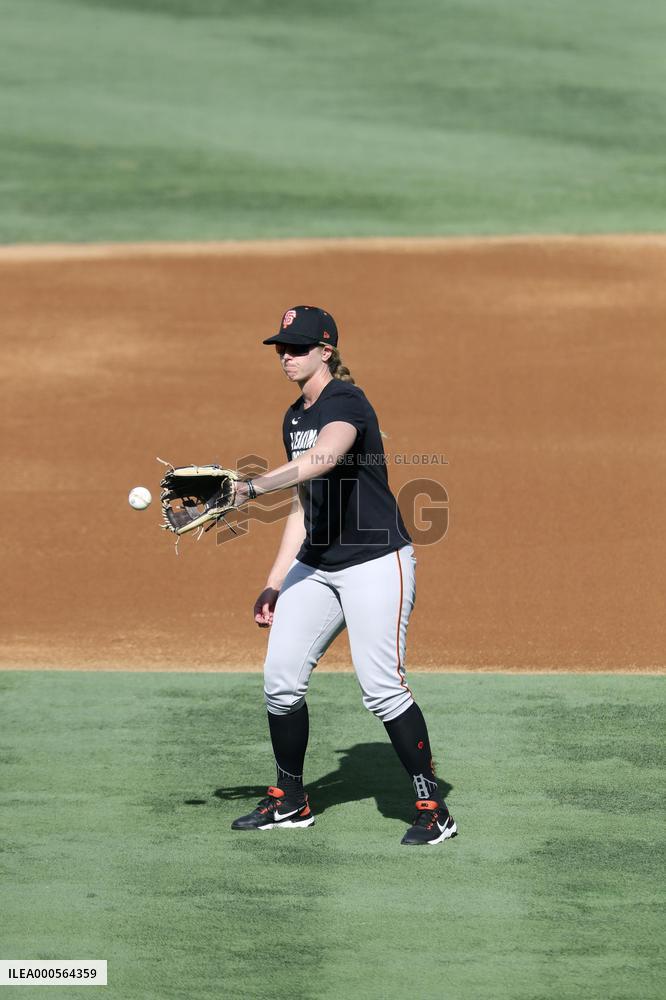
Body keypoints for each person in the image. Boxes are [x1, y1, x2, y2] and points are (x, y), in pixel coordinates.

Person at [230, 305, 457, 846]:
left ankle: (432, 807)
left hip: (377, 563)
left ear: (325, 351)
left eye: (298, 347)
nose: (287, 356)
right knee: (280, 679)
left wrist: (251, 487)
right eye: (282, 348)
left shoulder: (346, 402)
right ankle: (291, 799)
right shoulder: (293, 417)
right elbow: (305, 503)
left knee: (381, 688)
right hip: (318, 564)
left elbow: (326, 458)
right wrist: (275, 580)